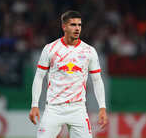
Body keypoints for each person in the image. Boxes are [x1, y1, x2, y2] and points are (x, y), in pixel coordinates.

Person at [29, 10, 107, 138]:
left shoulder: (89, 51)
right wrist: (34, 105)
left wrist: (102, 107)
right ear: (64, 27)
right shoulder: (50, 49)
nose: (77, 28)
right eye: (73, 25)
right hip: (54, 108)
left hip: (78, 109)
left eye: (79, 25)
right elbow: (39, 77)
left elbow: (97, 80)